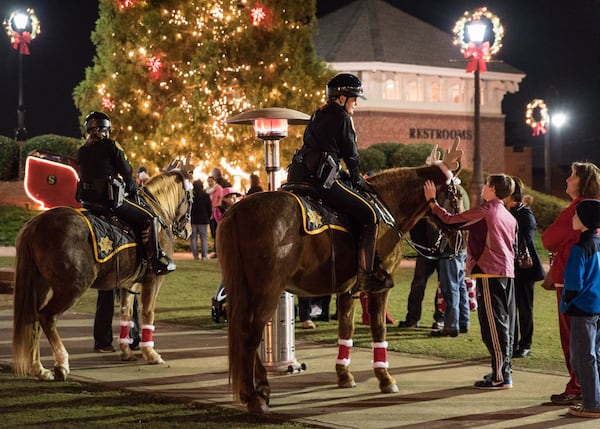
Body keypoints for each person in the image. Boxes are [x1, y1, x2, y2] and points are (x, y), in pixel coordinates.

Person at [286, 73, 392, 294]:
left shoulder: (318, 114)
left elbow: (324, 149)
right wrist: (356, 178)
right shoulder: (343, 118)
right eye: (354, 99)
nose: (355, 105)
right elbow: (351, 154)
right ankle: (366, 275)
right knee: (371, 215)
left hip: (298, 175)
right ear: (342, 98)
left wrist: (342, 173)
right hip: (321, 180)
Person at [424, 174, 517, 389]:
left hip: (489, 272)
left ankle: (501, 377)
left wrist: (432, 202)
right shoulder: (508, 214)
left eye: (486, 184)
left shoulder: (488, 211)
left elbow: (451, 221)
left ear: (492, 188)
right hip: (506, 272)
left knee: (493, 326)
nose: (483, 187)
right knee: (504, 325)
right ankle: (502, 370)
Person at [75, 111, 175, 275]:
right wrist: (133, 190)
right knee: (150, 217)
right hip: (108, 202)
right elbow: (127, 172)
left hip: (87, 202)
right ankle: (155, 261)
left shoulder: (82, 151)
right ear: (106, 130)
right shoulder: (111, 146)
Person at [542, 161, 600, 405]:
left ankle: (579, 388)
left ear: (582, 181)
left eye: (572, 176)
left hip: (572, 287)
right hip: (595, 286)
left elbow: (548, 239)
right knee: (593, 344)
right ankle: (591, 389)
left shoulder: (577, 211)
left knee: (575, 342)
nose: (567, 179)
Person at [560, 199, 600, 418]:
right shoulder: (598, 243)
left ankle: (593, 403)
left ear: (585, 220)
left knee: (582, 357)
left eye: (576, 215)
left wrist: (566, 303)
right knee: (595, 355)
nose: (573, 219)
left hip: (583, 308)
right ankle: (595, 399)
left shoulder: (579, 248)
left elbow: (573, 283)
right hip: (598, 306)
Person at [504, 177, 545, 358]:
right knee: (510, 307)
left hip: (524, 268)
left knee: (524, 307)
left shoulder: (525, 214)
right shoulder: (506, 212)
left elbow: (526, 239)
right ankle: (511, 343)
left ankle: (525, 344)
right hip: (509, 267)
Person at [190, 179, 212, 260]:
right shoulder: (206, 195)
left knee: (193, 238)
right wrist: (208, 217)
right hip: (203, 219)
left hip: (193, 219)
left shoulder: (191, 195)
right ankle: (204, 256)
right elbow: (209, 208)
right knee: (204, 238)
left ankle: (195, 256)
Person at [206, 175, 223, 257]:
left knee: (217, 232)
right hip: (210, 214)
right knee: (213, 233)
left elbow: (220, 200)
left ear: (214, 181)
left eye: (211, 181)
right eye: (208, 181)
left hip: (216, 214)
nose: (209, 183)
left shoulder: (218, 188)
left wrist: (216, 209)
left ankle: (218, 251)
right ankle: (215, 250)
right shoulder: (207, 190)